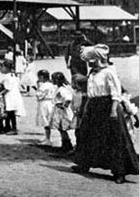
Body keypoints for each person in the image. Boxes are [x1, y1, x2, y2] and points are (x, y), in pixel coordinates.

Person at [72, 44, 138, 184]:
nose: (89, 63)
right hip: (94, 106)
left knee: (114, 138)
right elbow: (90, 90)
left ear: (98, 59)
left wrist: (114, 109)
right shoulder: (93, 73)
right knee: (89, 135)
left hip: (108, 105)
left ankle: (119, 171)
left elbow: (116, 92)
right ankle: (84, 164)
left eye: (91, 60)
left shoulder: (109, 72)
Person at [49, 72, 74, 152]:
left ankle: (67, 145)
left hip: (62, 111)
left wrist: (64, 105)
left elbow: (68, 98)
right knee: (60, 128)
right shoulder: (58, 89)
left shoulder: (62, 90)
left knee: (63, 128)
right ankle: (64, 144)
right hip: (58, 110)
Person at [0, 59, 25, 135]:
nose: (2, 69)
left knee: (10, 112)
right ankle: (8, 126)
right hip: (14, 95)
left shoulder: (8, 77)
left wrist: (1, 93)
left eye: (3, 67)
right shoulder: (13, 75)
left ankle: (13, 128)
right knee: (9, 112)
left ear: (7, 68)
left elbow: (8, 88)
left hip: (11, 96)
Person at [36, 70, 56, 146]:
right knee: (47, 119)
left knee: (45, 120)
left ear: (41, 77)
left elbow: (39, 96)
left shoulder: (44, 86)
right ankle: (47, 138)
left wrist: (38, 87)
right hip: (51, 103)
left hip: (45, 103)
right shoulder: (51, 85)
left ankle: (48, 139)